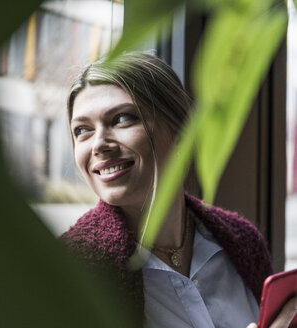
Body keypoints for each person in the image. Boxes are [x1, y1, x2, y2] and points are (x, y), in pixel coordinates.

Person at [60, 52, 297, 327]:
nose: (99, 144)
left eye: (122, 119)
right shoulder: (71, 271)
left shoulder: (243, 243)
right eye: (82, 130)